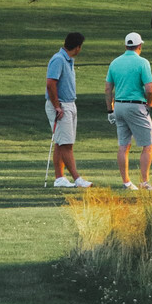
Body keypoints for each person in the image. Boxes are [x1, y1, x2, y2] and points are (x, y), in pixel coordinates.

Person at [104, 32, 152, 190]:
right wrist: (150, 102)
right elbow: (149, 88)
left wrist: (110, 110)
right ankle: (144, 182)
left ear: (126, 45)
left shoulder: (115, 62)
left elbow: (108, 89)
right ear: (139, 46)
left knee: (123, 145)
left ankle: (126, 182)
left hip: (119, 106)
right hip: (135, 106)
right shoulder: (142, 62)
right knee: (149, 144)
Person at [45, 32, 92, 188]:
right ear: (77, 47)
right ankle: (77, 179)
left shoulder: (68, 60)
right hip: (61, 105)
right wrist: (57, 106)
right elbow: (51, 83)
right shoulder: (58, 59)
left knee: (61, 142)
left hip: (69, 104)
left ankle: (59, 178)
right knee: (66, 144)